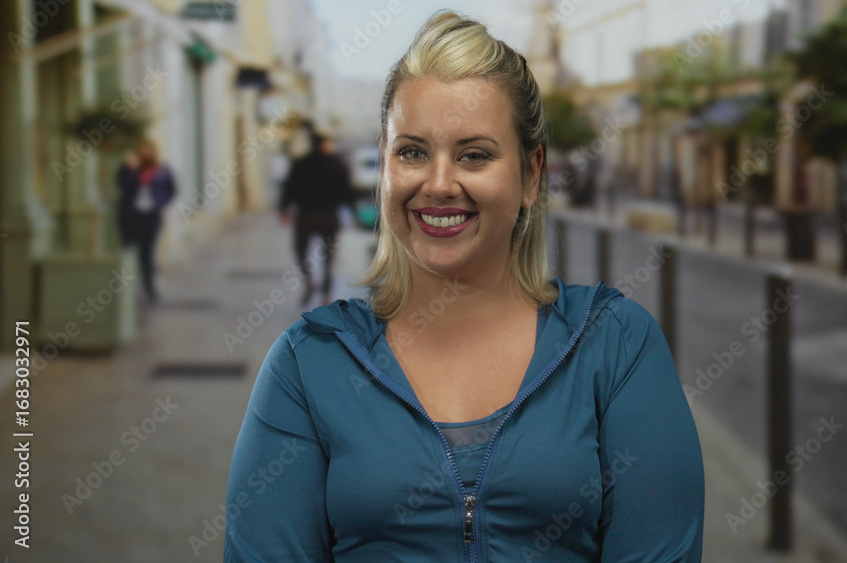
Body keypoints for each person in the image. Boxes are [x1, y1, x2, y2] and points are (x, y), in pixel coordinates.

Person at [225, 11, 704, 562]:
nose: (439, 184)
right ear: (384, 169)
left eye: (474, 155)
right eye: (411, 152)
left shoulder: (615, 346)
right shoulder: (308, 364)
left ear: (530, 175)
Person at [279, 128, 355, 305]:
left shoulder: (301, 163)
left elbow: (289, 187)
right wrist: (353, 211)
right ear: (323, 144)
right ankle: (326, 294)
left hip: (305, 215)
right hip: (329, 216)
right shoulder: (336, 163)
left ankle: (309, 281)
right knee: (329, 256)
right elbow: (346, 190)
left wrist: (284, 209)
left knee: (300, 250)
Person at [115, 138, 175, 303]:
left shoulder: (161, 170)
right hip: (131, 217)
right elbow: (121, 184)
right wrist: (129, 169)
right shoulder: (130, 169)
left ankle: (150, 290)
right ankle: (126, 293)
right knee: (129, 253)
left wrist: (160, 202)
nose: (144, 152)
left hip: (151, 217)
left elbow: (171, 189)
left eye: (147, 149)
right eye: (141, 149)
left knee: (147, 255)